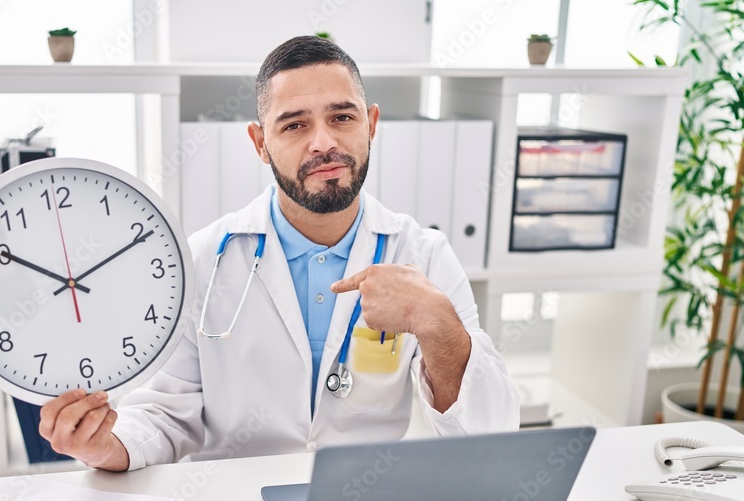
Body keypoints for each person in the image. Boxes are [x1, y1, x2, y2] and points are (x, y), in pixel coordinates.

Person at [39, 35, 519, 471]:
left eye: (342, 117)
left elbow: (490, 431)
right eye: (294, 126)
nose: (324, 143)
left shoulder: (424, 255)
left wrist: (437, 321)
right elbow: (166, 415)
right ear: (260, 143)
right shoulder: (202, 259)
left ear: (370, 125)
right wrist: (106, 446)